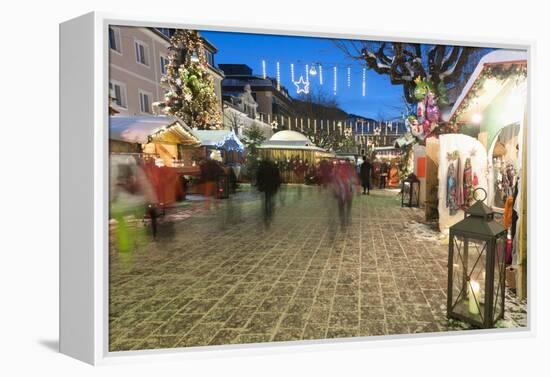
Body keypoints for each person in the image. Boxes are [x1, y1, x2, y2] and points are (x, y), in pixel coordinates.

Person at [256, 159, 282, 227]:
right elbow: (278, 177)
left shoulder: (262, 167)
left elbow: (259, 177)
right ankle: (270, 212)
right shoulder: (274, 167)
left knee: (266, 200)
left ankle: (266, 212)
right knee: (271, 199)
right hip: (272, 186)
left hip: (265, 186)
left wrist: (259, 185)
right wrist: (278, 185)